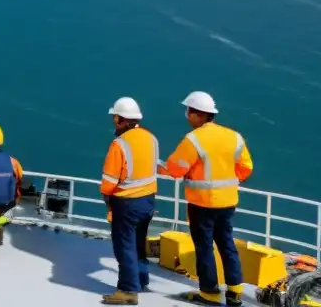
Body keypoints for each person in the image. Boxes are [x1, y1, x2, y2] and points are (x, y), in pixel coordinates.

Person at [159, 92, 254, 306]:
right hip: (228, 202)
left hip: (202, 203)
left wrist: (164, 169)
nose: (187, 116)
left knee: (204, 247)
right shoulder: (234, 136)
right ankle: (235, 292)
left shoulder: (194, 139)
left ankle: (209, 293)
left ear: (197, 114)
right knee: (227, 244)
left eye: (188, 112)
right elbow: (247, 167)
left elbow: (175, 168)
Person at [99, 97, 159, 306]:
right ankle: (141, 280)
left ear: (120, 119)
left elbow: (109, 182)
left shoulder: (119, 144)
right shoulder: (151, 138)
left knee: (124, 245)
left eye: (115, 117)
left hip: (127, 203)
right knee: (138, 244)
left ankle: (127, 290)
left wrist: (107, 196)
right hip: (148, 201)